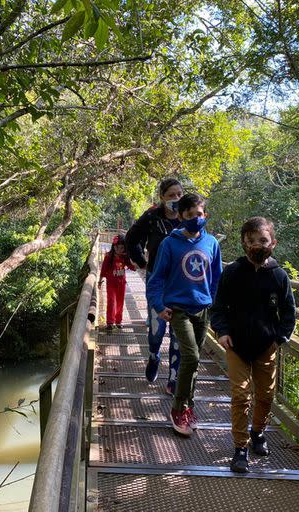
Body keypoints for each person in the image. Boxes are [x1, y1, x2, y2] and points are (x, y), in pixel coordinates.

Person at [210, 216, 296, 472]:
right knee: (240, 395)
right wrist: (222, 332)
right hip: (236, 345)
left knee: (266, 395)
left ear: (273, 243)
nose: (256, 245)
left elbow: (288, 312)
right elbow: (218, 307)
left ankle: (258, 432)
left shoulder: (279, 277)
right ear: (243, 244)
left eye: (262, 240)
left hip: (266, 346)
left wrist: (279, 338)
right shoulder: (233, 272)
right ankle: (241, 448)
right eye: (250, 241)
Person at [146, 193, 222, 436]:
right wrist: (159, 305)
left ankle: (188, 406)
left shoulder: (212, 243)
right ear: (180, 217)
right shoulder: (170, 243)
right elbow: (156, 279)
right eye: (189, 215)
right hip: (178, 310)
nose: (195, 219)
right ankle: (178, 408)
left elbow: (217, 278)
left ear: (205, 215)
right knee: (190, 356)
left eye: (198, 215)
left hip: (203, 309)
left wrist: (215, 307)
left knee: (195, 360)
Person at [126, 178, 184, 395]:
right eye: (171, 195)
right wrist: (143, 263)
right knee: (156, 331)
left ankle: (174, 378)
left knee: (177, 332)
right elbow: (132, 239)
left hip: (181, 284)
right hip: (157, 281)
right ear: (162, 197)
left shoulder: (187, 216)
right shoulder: (152, 216)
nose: (176, 199)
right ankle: (153, 356)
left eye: (179, 194)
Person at [100, 234, 136, 330]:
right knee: (111, 301)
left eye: (122, 248)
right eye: (118, 247)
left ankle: (118, 321)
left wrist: (134, 262)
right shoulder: (108, 256)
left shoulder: (125, 257)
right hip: (111, 283)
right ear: (114, 247)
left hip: (121, 283)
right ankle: (110, 322)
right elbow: (103, 269)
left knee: (120, 303)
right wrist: (100, 280)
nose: (120, 250)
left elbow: (132, 267)